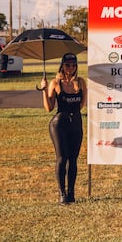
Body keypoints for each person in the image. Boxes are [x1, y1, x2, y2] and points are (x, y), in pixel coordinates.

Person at [39, 53, 86, 204]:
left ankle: (71, 194)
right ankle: (62, 194)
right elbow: (49, 108)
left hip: (76, 123)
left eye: (73, 65)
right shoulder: (55, 83)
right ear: (62, 65)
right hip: (59, 125)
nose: (70, 68)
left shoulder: (81, 82)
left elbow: (81, 105)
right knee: (62, 158)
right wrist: (44, 91)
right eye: (67, 65)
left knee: (73, 160)